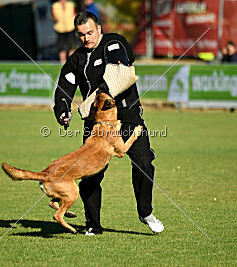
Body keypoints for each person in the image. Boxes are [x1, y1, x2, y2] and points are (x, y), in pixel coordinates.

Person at [53, 11, 164, 236]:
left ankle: (145, 212)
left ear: (100, 29)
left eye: (90, 32)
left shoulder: (113, 43)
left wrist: (101, 90)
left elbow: (119, 64)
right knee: (90, 174)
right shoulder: (77, 58)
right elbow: (65, 84)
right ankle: (93, 223)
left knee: (144, 162)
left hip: (128, 116)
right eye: (82, 35)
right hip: (97, 125)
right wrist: (62, 110)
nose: (87, 38)